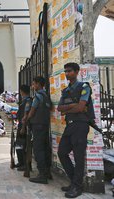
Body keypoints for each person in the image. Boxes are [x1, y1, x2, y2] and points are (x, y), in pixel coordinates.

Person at [57, 62, 94, 198]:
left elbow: (81, 108)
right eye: (65, 71)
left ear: (77, 72)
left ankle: (77, 187)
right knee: (62, 152)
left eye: (70, 71)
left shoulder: (84, 87)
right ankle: (74, 181)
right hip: (70, 125)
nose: (67, 73)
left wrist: (69, 108)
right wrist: (74, 105)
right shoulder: (66, 91)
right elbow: (59, 108)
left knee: (79, 157)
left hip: (80, 124)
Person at [25, 76, 52, 184]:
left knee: (38, 150)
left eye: (33, 84)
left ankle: (42, 175)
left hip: (37, 125)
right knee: (45, 148)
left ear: (38, 84)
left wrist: (27, 119)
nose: (32, 86)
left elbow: (32, 111)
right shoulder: (46, 96)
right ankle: (47, 172)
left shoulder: (38, 96)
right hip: (45, 125)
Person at [14, 85, 32, 171]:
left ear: (22, 91)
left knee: (24, 146)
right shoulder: (24, 101)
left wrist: (23, 128)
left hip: (24, 126)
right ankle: (21, 162)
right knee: (18, 145)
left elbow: (26, 115)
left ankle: (26, 164)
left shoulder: (28, 101)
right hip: (21, 125)